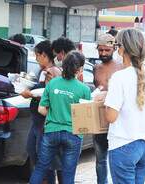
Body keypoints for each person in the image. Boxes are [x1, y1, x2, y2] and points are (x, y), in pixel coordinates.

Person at [97, 29, 145, 184]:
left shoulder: (119, 77)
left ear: (122, 49)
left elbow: (111, 116)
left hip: (124, 145)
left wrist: (105, 100)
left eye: (116, 45)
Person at [30, 51, 91, 184]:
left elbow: (41, 109)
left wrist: (54, 114)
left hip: (51, 132)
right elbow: (85, 118)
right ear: (80, 69)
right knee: (68, 174)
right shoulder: (84, 90)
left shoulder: (52, 83)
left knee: (41, 168)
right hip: (73, 134)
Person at [20, 40, 61, 184]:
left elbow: (50, 94)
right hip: (36, 121)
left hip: (45, 122)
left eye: (37, 55)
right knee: (33, 152)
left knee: (45, 160)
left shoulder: (52, 72)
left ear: (44, 55)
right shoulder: (42, 71)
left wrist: (30, 94)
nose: (36, 59)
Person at [92, 33, 122, 184]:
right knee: (100, 159)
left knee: (117, 158)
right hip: (100, 119)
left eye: (106, 50)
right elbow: (96, 90)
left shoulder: (121, 68)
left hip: (117, 120)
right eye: (100, 50)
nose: (103, 53)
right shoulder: (96, 68)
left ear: (114, 48)